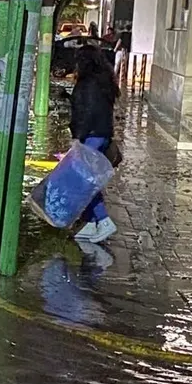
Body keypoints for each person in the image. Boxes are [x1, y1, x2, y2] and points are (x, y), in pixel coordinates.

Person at [69, 45, 119, 243]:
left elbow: (86, 113)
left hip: (91, 136)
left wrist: (78, 137)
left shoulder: (88, 83)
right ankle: (90, 221)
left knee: (85, 181)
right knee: (86, 178)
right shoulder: (103, 82)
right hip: (101, 135)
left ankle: (103, 220)